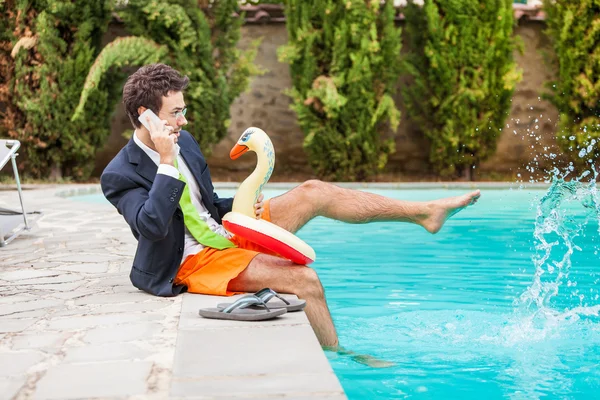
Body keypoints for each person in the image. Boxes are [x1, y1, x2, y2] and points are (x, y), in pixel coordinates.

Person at [101, 63, 480, 349]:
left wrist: (245, 204)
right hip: (190, 260)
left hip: (224, 232)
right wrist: (166, 162)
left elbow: (208, 206)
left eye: (184, 110)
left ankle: (424, 213)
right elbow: (150, 225)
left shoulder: (188, 142)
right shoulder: (120, 174)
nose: (185, 120)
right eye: (175, 113)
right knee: (304, 279)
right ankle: (337, 357)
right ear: (144, 116)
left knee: (313, 191)